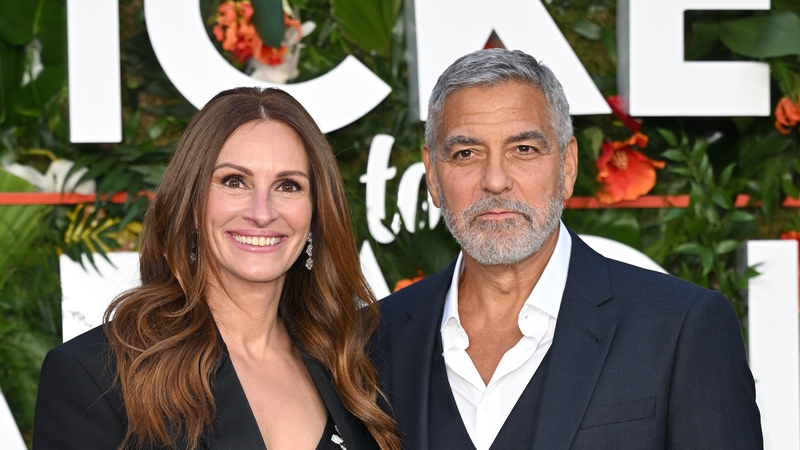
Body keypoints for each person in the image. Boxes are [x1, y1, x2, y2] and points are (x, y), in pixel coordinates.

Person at [372, 49, 762, 449]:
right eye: (466, 154)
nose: (495, 180)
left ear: (568, 165)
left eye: (523, 149)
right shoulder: (372, 339)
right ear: (433, 176)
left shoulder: (681, 327)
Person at [34, 87, 401, 450]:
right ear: (192, 204)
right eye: (234, 181)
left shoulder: (354, 365)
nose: (262, 212)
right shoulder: (97, 379)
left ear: (316, 212)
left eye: (288, 186)